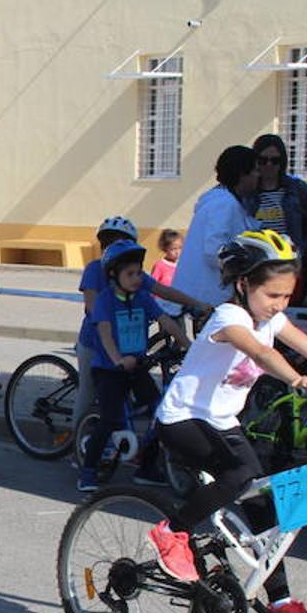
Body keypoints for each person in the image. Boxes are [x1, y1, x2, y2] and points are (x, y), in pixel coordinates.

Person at [151, 230, 307, 613]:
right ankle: (173, 532)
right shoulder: (230, 318)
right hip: (183, 420)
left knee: (264, 501)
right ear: (243, 284)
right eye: (272, 295)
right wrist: (297, 380)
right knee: (239, 475)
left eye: (287, 296)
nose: (279, 304)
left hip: (223, 423)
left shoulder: (270, 318)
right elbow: (260, 353)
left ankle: (281, 602)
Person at [73, 217, 208, 438]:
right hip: (95, 344)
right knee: (88, 394)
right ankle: (76, 443)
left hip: (129, 347)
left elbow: (164, 292)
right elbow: (92, 307)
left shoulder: (132, 274)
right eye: (111, 242)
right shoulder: (95, 269)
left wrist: (196, 303)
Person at [76, 239, 190, 492]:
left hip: (137, 366)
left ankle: (147, 468)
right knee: (108, 419)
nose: (138, 278)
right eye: (131, 274)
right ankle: (88, 471)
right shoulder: (106, 300)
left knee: (161, 413)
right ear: (114, 276)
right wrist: (117, 359)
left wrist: (189, 347)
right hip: (109, 368)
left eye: (139, 272)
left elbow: (166, 321)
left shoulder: (141, 298)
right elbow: (104, 334)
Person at [171, 146, 259, 309]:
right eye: (254, 170)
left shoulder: (226, 202)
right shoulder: (224, 204)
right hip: (205, 299)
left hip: (203, 298)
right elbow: (214, 251)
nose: (258, 175)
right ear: (242, 174)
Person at [246, 133, 307, 250]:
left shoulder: (298, 188)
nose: (269, 165)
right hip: (256, 260)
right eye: (263, 160)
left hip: (289, 260)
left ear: (282, 162)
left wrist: (301, 250)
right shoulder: (247, 191)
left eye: (275, 160)